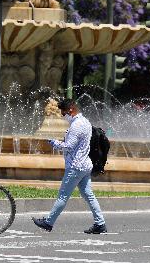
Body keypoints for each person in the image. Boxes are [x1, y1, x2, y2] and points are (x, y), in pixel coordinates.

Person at [32, 98, 107, 234]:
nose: (62, 115)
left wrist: (53, 142)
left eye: (63, 112)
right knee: (88, 194)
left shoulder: (77, 125)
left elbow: (69, 146)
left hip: (76, 166)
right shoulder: (85, 122)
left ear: (71, 110)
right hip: (85, 165)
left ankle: (48, 222)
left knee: (63, 196)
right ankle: (100, 223)